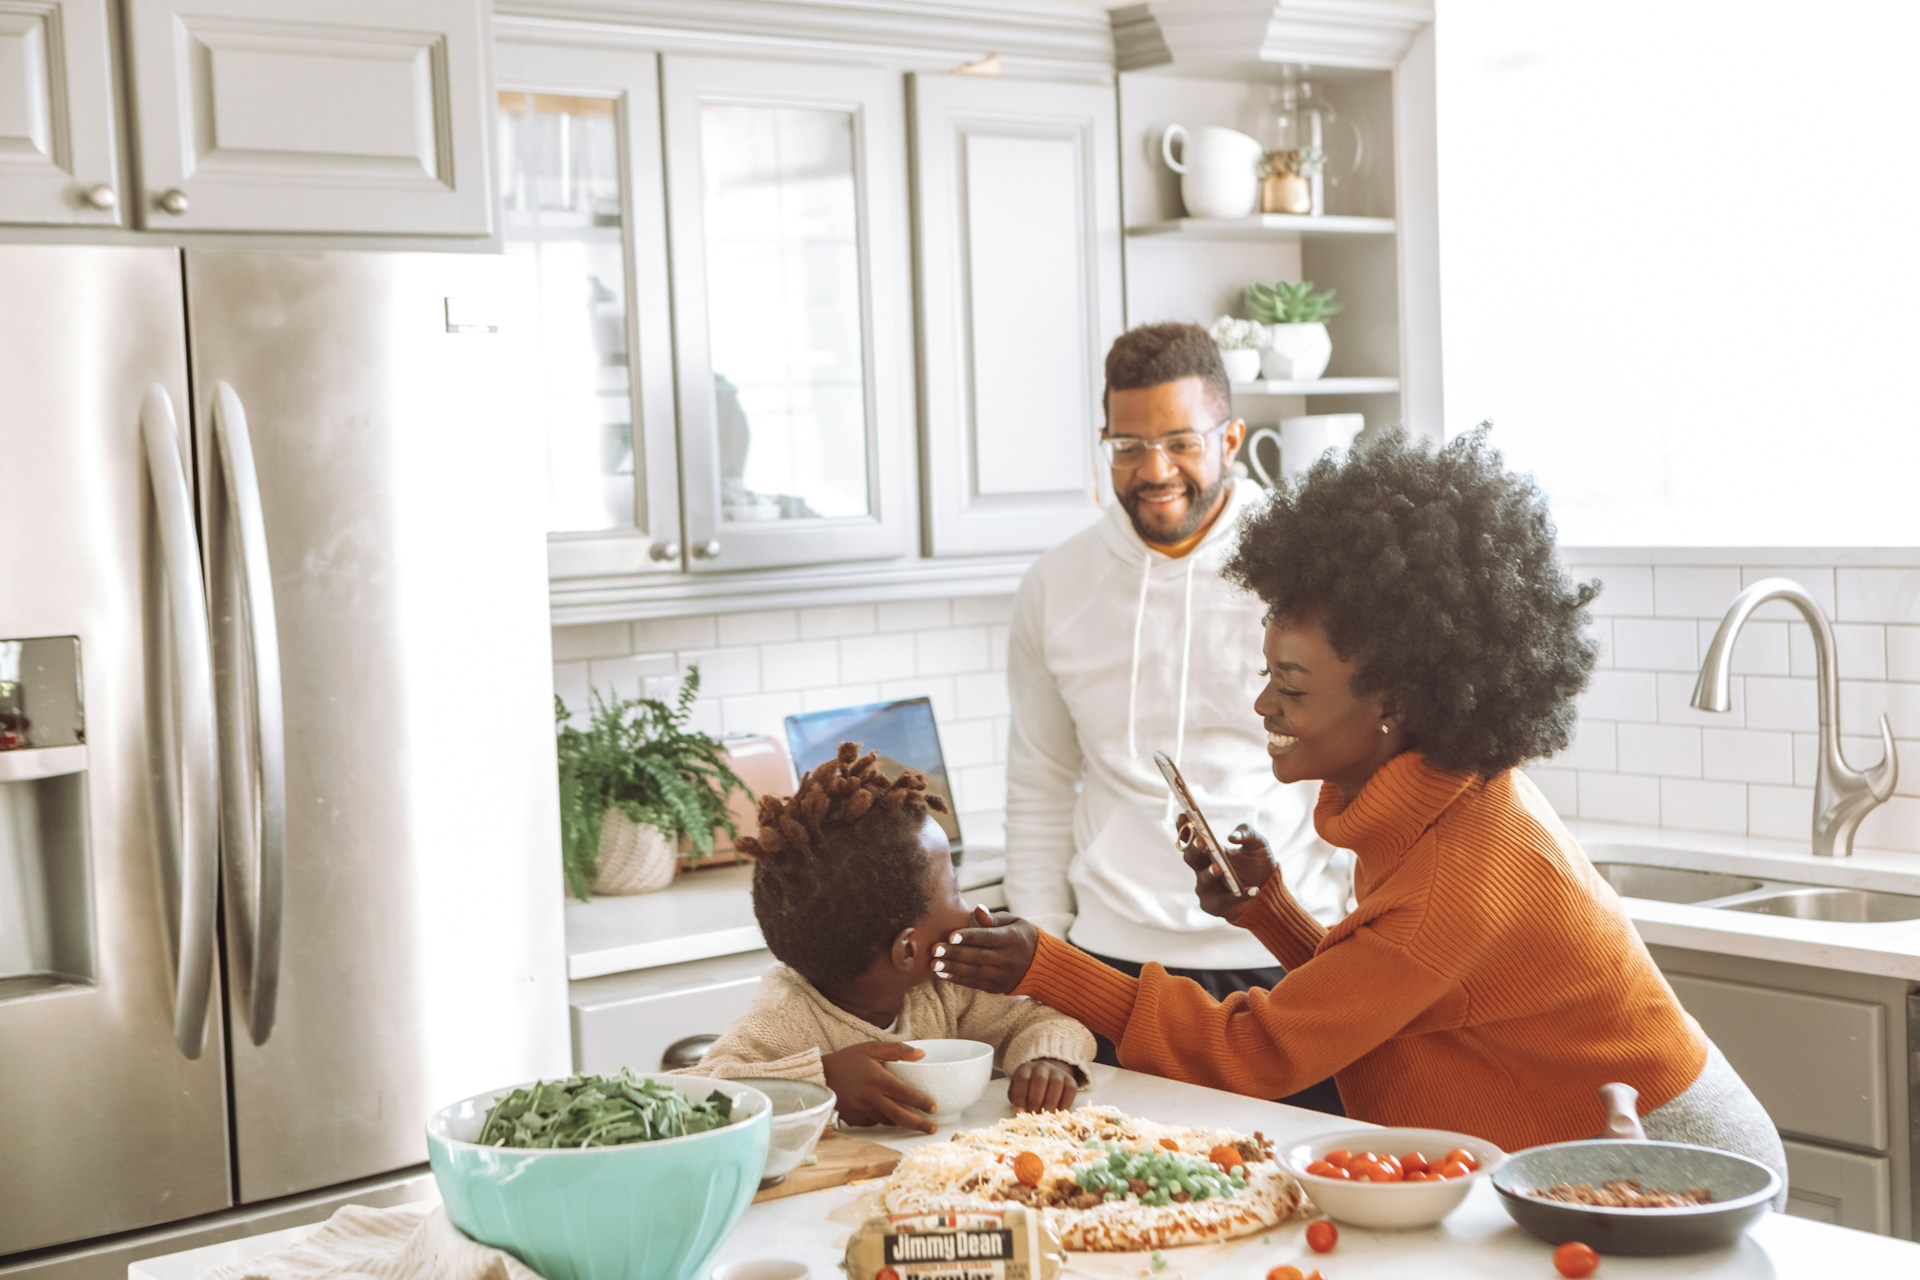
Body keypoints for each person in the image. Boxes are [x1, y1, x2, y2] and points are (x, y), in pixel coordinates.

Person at [942, 428, 1787, 1181]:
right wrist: (1268, 912)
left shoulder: (1462, 871)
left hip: (1675, 1157)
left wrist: (1044, 964)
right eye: (1269, 674)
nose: (1265, 706)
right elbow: (1395, 993)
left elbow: (1256, 1049)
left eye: (1293, 686)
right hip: (1598, 1135)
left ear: (1395, 698)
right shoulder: (1446, 794)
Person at [1002, 321, 1350, 1112]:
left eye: (1180, 442)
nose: (1154, 471)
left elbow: (1370, 774)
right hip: (1109, 965)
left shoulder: (1310, 571)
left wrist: (1356, 947)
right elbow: (1041, 786)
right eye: (1127, 446)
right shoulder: (1055, 587)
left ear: (1231, 436)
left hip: (1287, 959)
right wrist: (1042, 977)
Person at [689, 742, 1094, 1133]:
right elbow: (697, 1095)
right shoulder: (784, 1019)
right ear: (908, 950)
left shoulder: (945, 987)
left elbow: (1039, 1020)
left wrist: (1049, 1061)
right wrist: (821, 1082)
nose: (971, 909)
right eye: (955, 891)